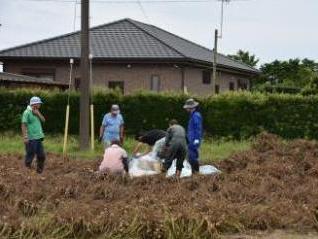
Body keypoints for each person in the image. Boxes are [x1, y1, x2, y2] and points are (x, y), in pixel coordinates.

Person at [21, 96, 46, 174]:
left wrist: (38, 113)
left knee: (42, 156)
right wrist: (25, 137)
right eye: (39, 103)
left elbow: (43, 120)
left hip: (38, 138)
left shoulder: (37, 111)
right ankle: (26, 171)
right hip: (31, 138)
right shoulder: (27, 112)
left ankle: (39, 172)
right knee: (30, 155)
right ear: (34, 104)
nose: (40, 105)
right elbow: (23, 125)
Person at [183, 98, 203, 173]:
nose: (186, 109)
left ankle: (196, 172)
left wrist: (197, 139)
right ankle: (194, 172)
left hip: (194, 140)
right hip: (191, 140)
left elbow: (198, 128)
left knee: (193, 157)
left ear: (190, 107)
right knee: (191, 157)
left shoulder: (196, 116)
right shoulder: (193, 115)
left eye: (187, 108)